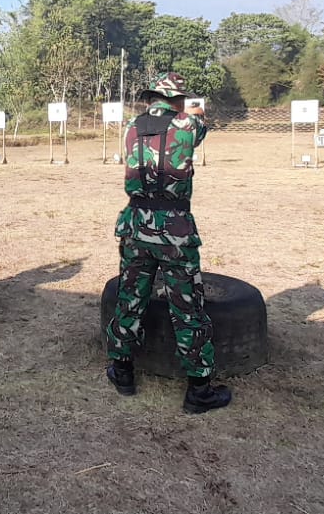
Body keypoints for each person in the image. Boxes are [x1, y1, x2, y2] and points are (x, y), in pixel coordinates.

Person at [103, 72, 232, 414]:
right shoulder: (188, 125)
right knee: (187, 306)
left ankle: (123, 371)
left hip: (136, 226)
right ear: (178, 100)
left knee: (130, 299)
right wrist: (191, 112)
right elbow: (200, 127)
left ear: (151, 97)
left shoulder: (131, 126)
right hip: (175, 229)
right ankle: (199, 390)